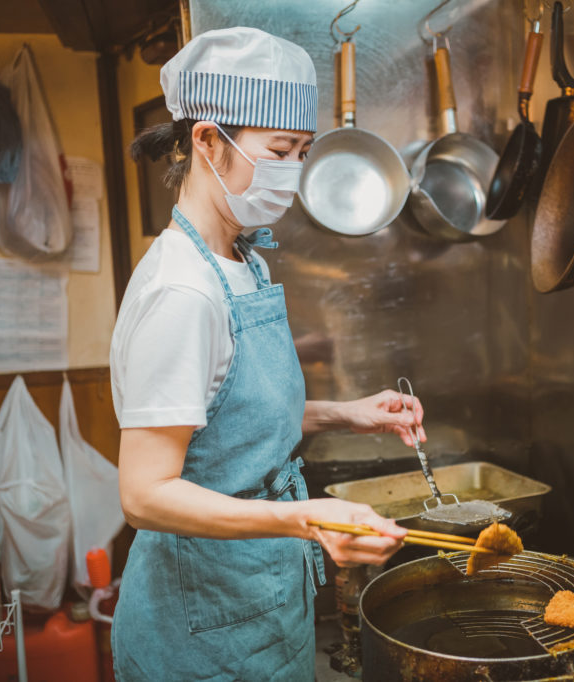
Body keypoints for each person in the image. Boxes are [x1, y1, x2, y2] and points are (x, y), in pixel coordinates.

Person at [108, 27, 423, 681]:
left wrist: (346, 413)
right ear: (206, 140)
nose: (294, 171)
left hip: (257, 594)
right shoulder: (182, 291)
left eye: (302, 152)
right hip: (200, 620)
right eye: (280, 150)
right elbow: (143, 493)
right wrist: (306, 518)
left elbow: (230, 424)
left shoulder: (243, 258)